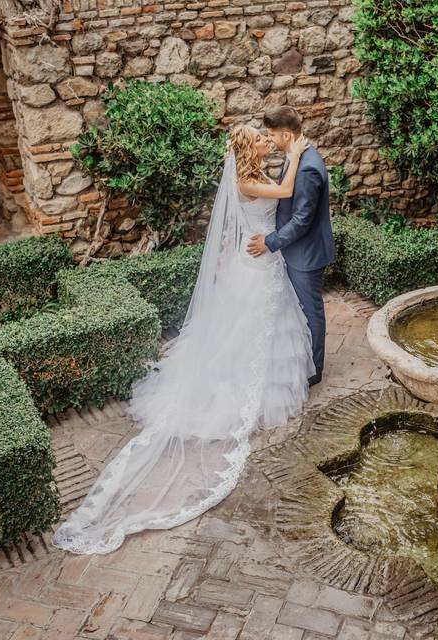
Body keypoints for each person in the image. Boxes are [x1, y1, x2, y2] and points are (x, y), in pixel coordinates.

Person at [52, 125, 317, 554]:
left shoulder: (248, 176)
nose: (269, 141)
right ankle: (238, 391)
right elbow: (286, 193)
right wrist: (298, 153)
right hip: (258, 266)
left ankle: (249, 379)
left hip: (257, 262)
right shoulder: (247, 181)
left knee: (251, 333)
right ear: (250, 150)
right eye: (261, 139)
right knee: (246, 335)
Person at [247, 106, 335, 386]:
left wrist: (270, 242)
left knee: (311, 313)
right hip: (297, 250)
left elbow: (301, 220)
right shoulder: (297, 155)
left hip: (306, 253)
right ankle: (305, 361)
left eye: (272, 135)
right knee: (302, 310)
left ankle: (314, 371)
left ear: (286, 134)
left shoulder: (308, 167)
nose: (269, 139)